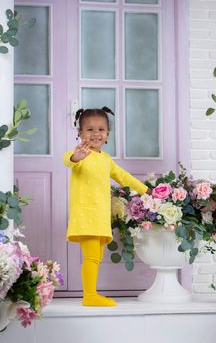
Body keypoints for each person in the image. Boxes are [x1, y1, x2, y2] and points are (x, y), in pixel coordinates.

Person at [63, 106, 150, 307]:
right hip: (85, 216)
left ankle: (91, 293)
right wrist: (77, 156)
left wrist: (146, 191)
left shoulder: (105, 159)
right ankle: (90, 296)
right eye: (90, 130)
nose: (96, 134)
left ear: (108, 134)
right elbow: (67, 160)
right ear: (80, 134)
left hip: (100, 217)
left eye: (101, 129)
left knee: (96, 256)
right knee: (92, 257)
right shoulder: (80, 155)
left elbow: (123, 177)